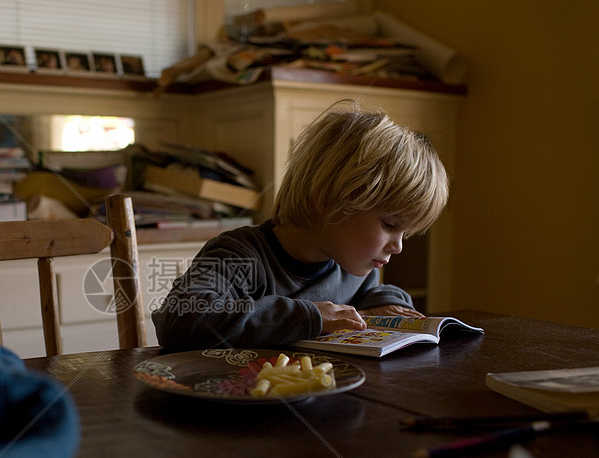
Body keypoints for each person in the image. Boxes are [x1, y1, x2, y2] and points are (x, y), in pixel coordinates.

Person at [152, 102, 449, 351]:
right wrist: (313, 317)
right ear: (328, 201)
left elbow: (373, 295)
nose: (397, 246)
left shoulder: (352, 267)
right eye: (389, 224)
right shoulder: (238, 254)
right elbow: (181, 320)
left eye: (405, 233)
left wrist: (386, 305)